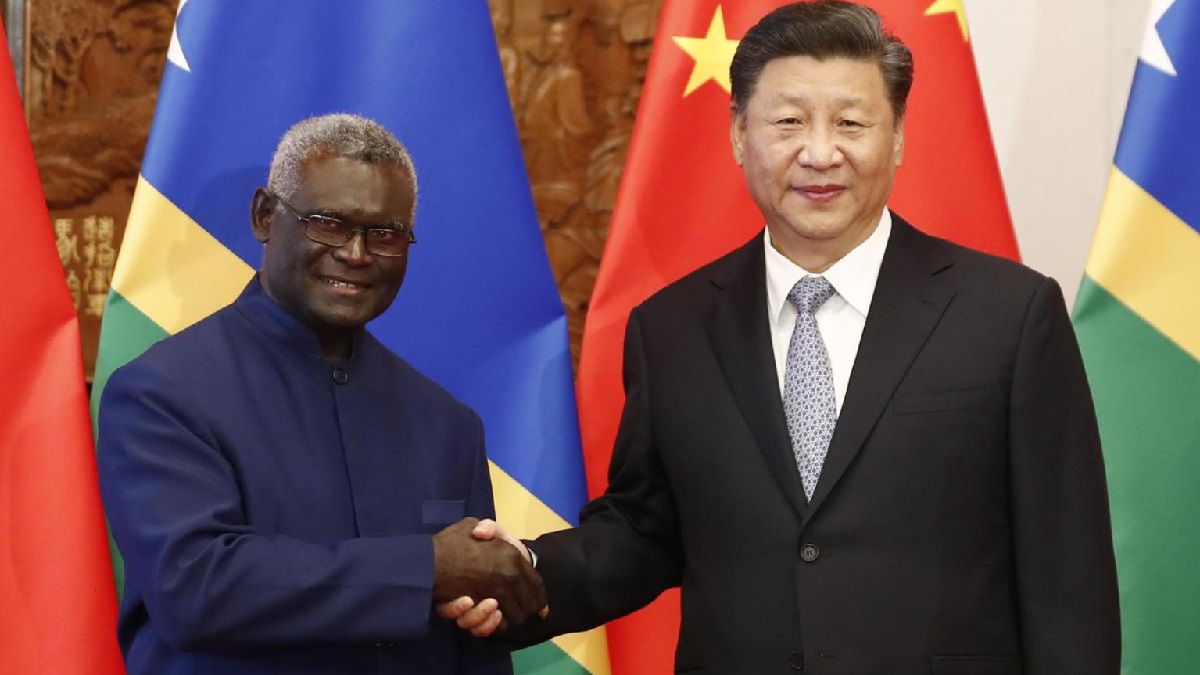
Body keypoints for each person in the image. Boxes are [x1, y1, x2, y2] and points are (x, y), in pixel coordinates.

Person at [448, 2, 1121, 673]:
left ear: (897, 137)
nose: (820, 152)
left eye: (851, 123)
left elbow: (1068, 573)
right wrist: (524, 571)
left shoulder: (1009, 313)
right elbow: (644, 532)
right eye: (789, 122)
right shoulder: (671, 329)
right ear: (741, 134)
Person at [97, 113, 545, 675]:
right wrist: (429, 567)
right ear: (265, 216)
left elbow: (473, 643)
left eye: (385, 234)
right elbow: (197, 586)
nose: (357, 254)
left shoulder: (447, 422)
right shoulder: (163, 394)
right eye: (329, 224)